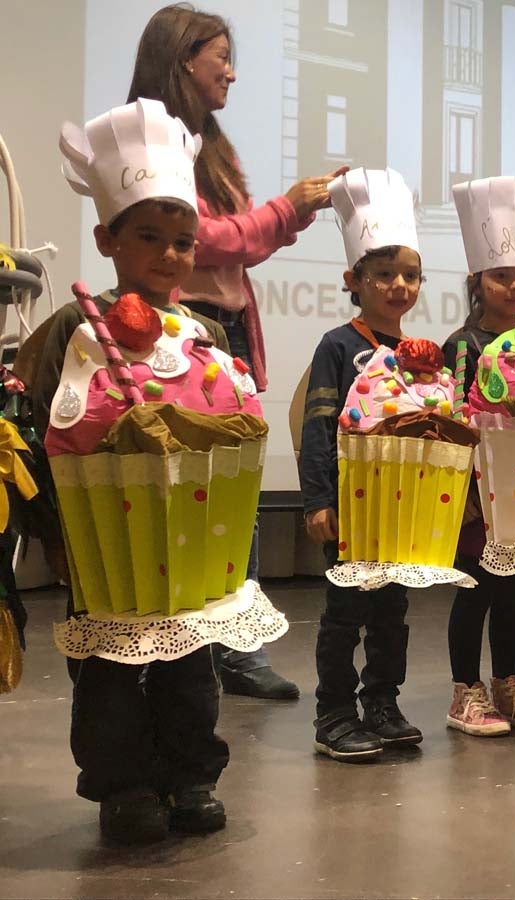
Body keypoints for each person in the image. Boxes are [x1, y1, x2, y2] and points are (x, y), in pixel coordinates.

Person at [33, 99, 284, 843]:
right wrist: (53, 529)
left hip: (187, 543)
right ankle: (122, 785)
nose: (171, 256)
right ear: (107, 237)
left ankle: (190, 773)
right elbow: (39, 433)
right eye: (150, 237)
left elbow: (231, 431)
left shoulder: (203, 335)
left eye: (183, 241)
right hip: (103, 548)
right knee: (108, 674)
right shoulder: (71, 333)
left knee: (189, 667)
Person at [128, 4, 348, 699]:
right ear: (180, 60)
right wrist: (286, 209)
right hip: (173, 324)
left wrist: (293, 213)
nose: (230, 70)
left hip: (225, 327)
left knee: (238, 488)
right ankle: (182, 637)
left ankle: (234, 644)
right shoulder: (149, 137)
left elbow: (236, 245)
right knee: (180, 489)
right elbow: (210, 239)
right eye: (218, 56)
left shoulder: (213, 145)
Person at [299, 169, 426, 761]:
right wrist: (318, 499)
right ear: (354, 280)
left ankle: (382, 702)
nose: (398, 286)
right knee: (345, 611)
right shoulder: (337, 346)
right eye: (383, 274)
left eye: (410, 275)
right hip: (350, 507)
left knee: (392, 612)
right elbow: (318, 427)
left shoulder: (414, 355)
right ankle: (333, 713)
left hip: (400, 510)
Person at [441, 176, 515, 736]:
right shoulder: (464, 346)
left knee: (512, 589)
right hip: (471, 494)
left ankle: (508, 682)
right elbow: (451, 420)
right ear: (477, 282)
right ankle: (466, 689)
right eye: (502, 275)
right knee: (475, 585)